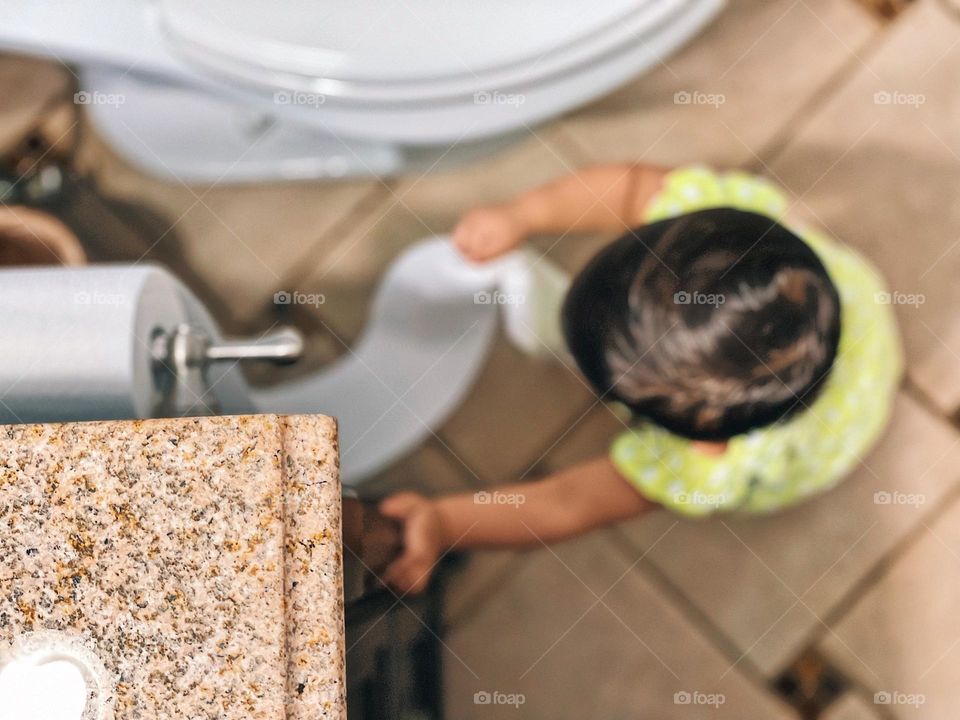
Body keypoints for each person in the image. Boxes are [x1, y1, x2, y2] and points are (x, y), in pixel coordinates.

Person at [379, 164, 902, 594]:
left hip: (820, 450)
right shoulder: (753, 237)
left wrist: (447, 522)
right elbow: (630, 188)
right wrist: (522, 215)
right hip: (864, 326)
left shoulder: (698, 466)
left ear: (705, 440)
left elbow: (566, 503)